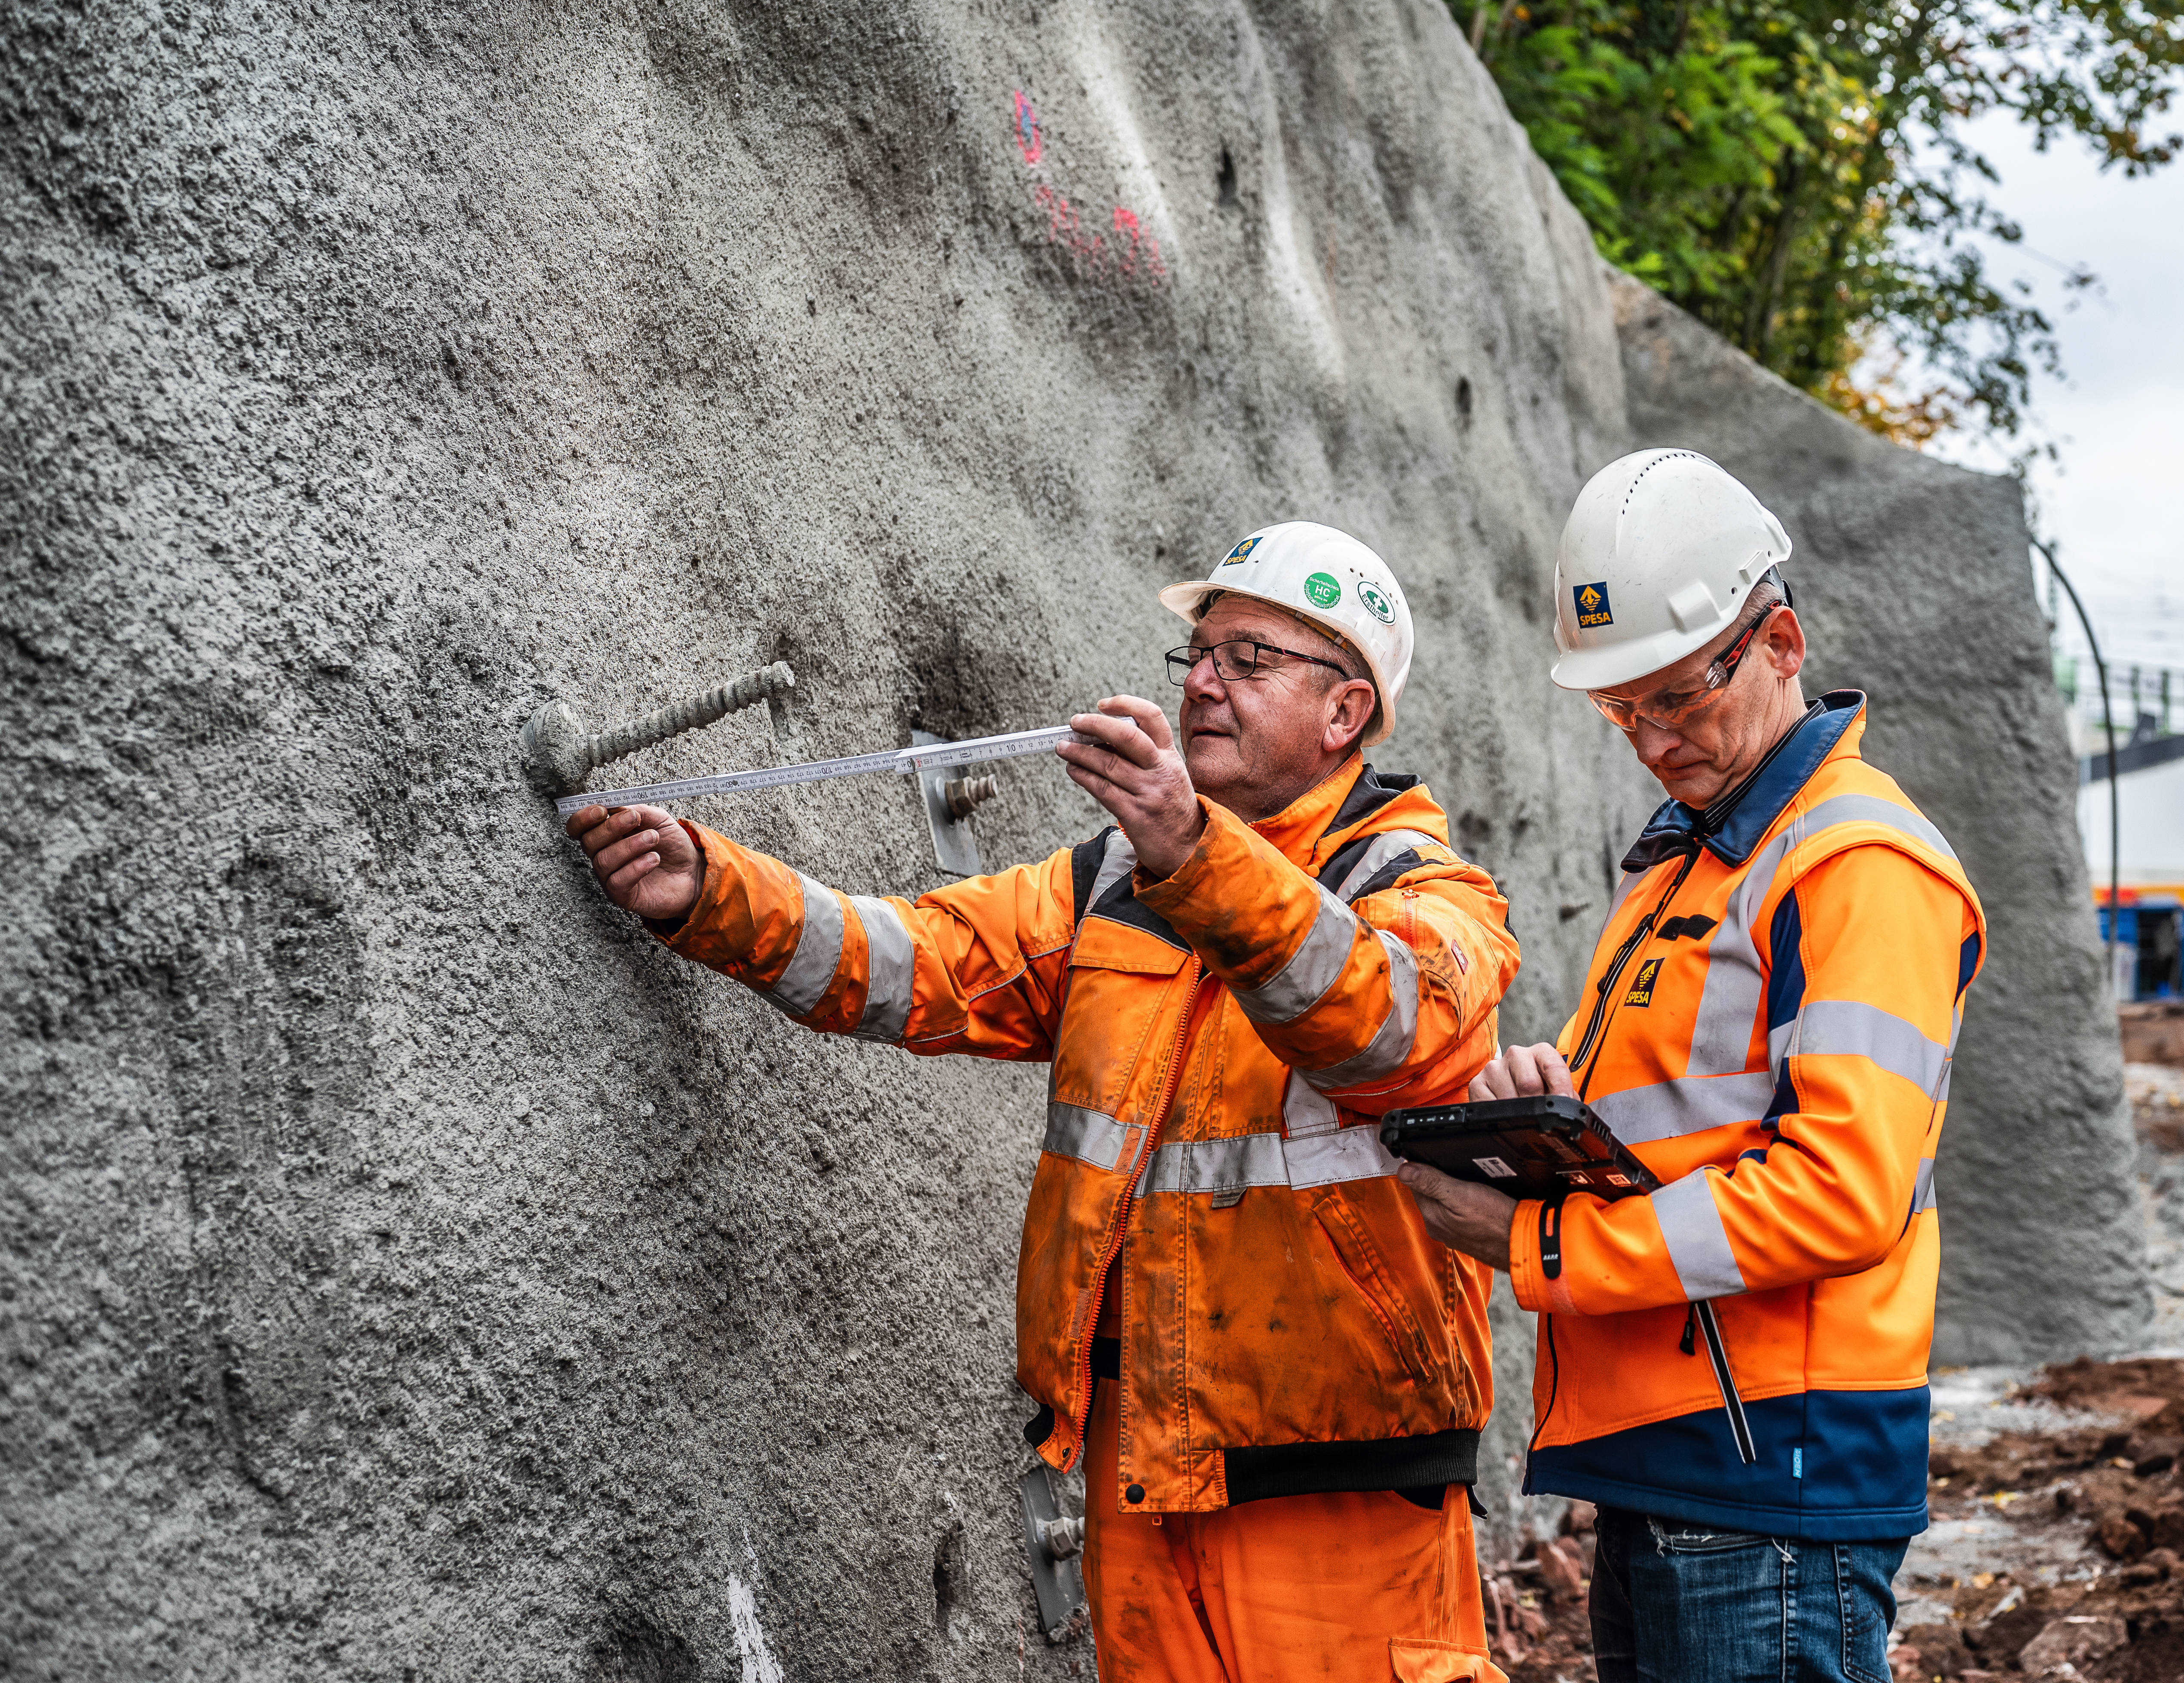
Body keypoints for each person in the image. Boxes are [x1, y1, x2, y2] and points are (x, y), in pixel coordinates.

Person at [566, 521, 1515, 1683]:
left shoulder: (1432, 897)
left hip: (1344, 1483)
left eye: (1250, 659)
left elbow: (1384, 1032)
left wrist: (1191, 852)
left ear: (1346, 714)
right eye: (1200, 655)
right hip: (1142, 1467)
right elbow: (912, 962)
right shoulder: (1115, 884)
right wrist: (712, 891)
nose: (1204, 681)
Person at [1399, 449, 1986, 1683]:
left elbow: (1841, 1190)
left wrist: (1540, 1246)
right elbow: (1688, 1131)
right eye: (1623, 712)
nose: (1654, 742)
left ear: (1781, 642)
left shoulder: (1856, 865)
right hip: (1682, 1452)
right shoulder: (1691, 863)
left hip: (1773, 1471)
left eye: (1678, 697)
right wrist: (1548, 1117)